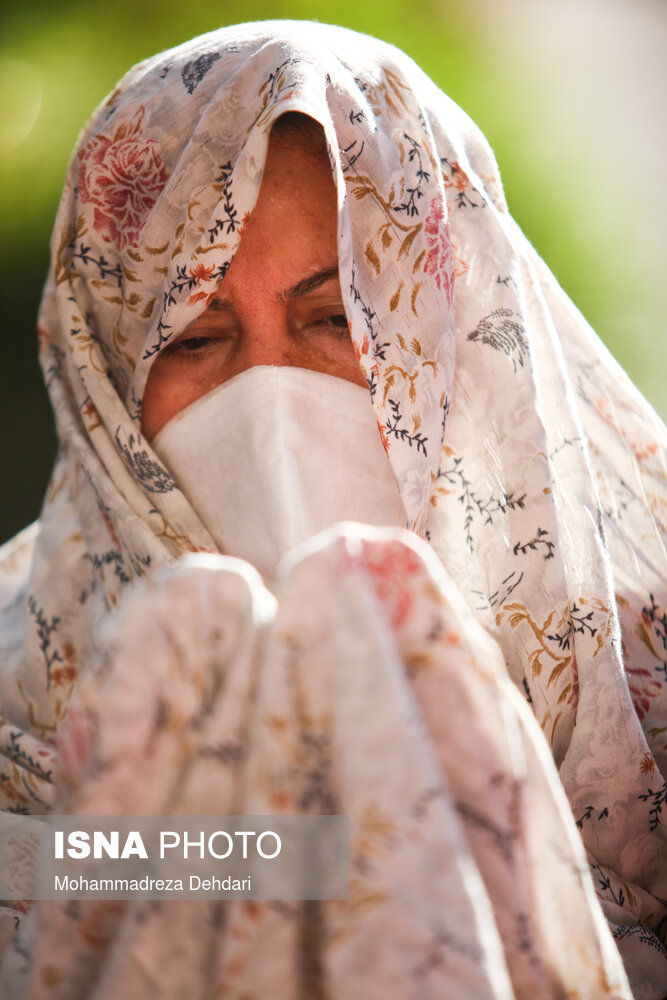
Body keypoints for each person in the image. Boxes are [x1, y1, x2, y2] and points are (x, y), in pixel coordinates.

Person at [0, 18, 665, 999]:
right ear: (105, 384)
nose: (269, 403)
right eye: (191, 338)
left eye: (336, 317)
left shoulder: (638, 674)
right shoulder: (19, 707)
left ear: (453, 333)